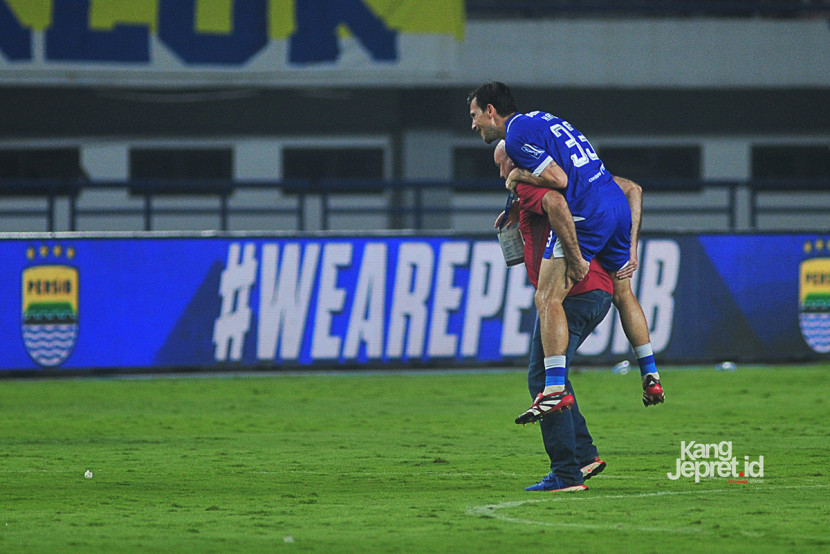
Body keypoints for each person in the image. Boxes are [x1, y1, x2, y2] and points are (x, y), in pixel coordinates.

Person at [468, 82, 664, 423]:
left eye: (474, 116)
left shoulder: (514, 137)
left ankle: (554, 387)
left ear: (490, 111)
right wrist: (632, 244)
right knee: (623, 291)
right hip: (615, 204)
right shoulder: (543, 118)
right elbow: (632, 188)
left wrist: (518, 174)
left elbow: (557, 182)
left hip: (587, 215)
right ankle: (651, 374)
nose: (473, 125)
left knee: (547, 298)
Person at [494, 140, 610, 491]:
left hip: (570, 294)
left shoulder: (531, 184)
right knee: (555, 379)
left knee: (545, 382)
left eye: (502, 164)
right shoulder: (554, 181)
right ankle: (584, 456)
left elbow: (556, 203)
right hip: (592, 290)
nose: (501, 172)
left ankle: (566, 473)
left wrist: (574, 260)